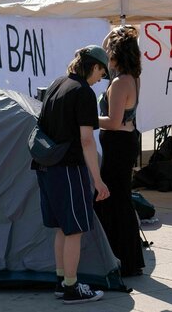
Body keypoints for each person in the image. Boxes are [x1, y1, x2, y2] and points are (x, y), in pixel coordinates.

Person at [34, 45, 108, 304]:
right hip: (68, 168)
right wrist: (97, 180)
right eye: (102, 71)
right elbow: (87, 141)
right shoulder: (83, 93)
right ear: (94, 66)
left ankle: (61, 280)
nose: (101, 78)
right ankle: (71, 287)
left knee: (62, 229)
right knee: (74, 230)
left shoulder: (57, 83)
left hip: (46, 166)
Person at [95, 25, 146, 277]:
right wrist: (115, 32)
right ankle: (127, 258)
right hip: (123, 144)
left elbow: (113, 121)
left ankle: (123, 259)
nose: (106, 57)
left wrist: (89, 119)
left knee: (115, 202)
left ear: (117, 55)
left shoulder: (120, 83)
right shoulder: (132, 77)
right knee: (119, 201)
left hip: (117, 145)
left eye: (110, 52)